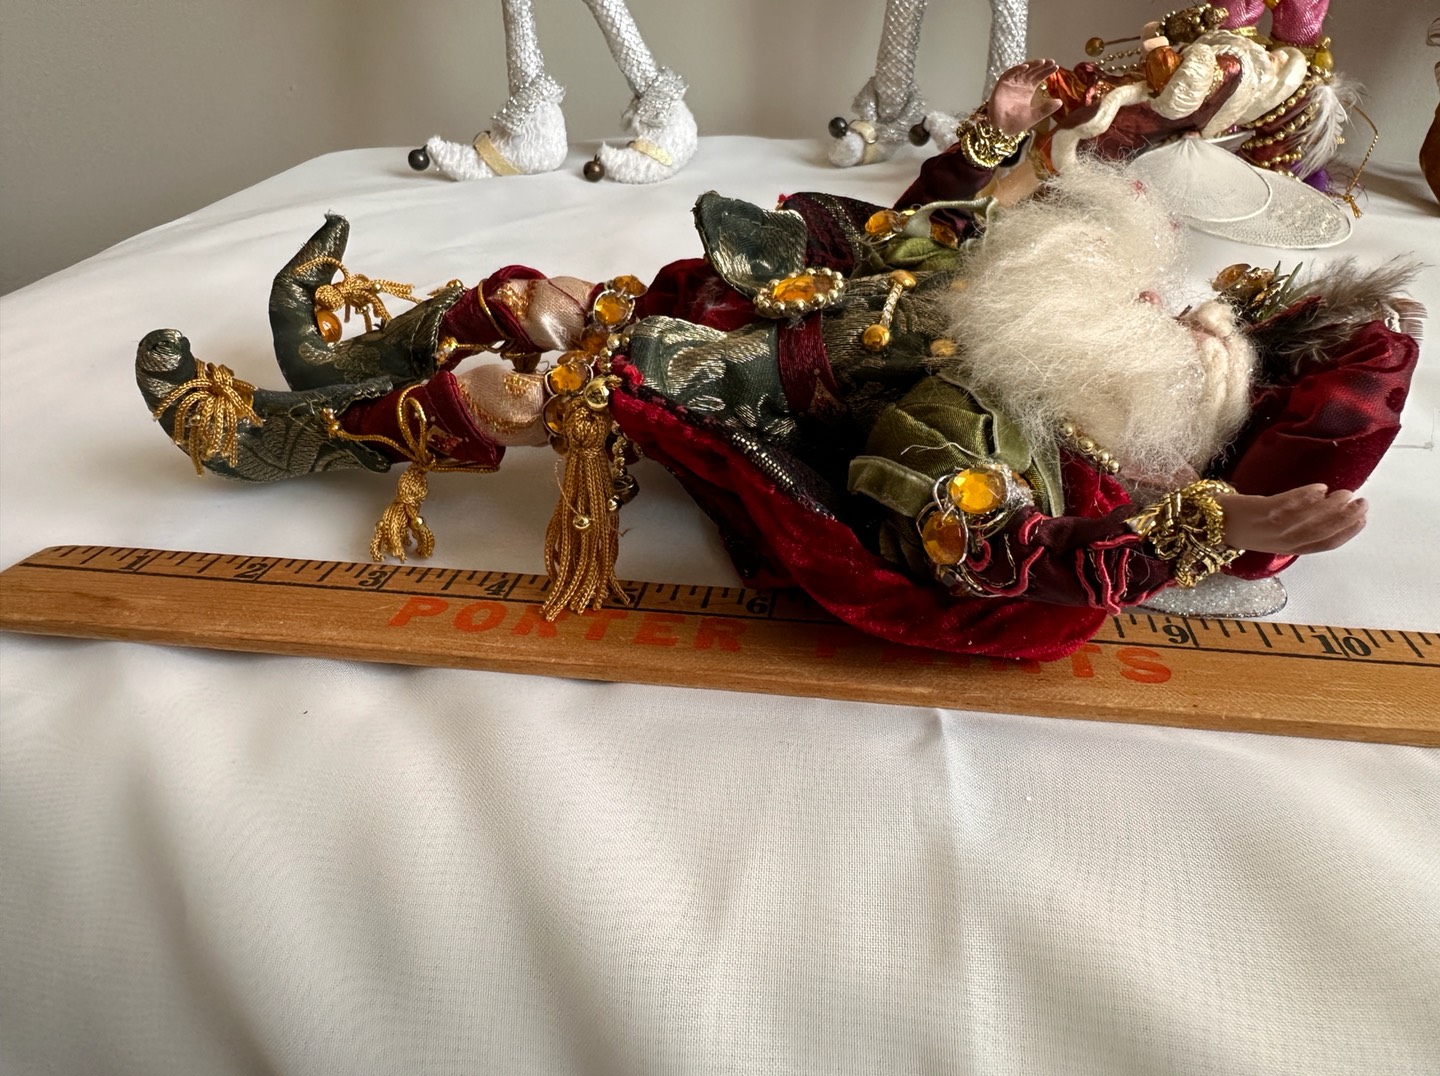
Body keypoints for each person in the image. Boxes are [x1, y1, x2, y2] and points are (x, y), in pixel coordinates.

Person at [134, 63, 1421, 661]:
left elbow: (995, 559)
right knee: (538, 302)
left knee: (529, 387)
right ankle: (331, 356)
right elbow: (933, 217)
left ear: (1155, 414)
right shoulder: (1037, 292)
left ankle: (274, 440)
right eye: (1175, 305)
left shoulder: (1012, 434)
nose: (1162, 302)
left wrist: (1199, 531)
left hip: (750, 393)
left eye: (1178, 335)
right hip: (763, 302)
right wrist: (994, 138)